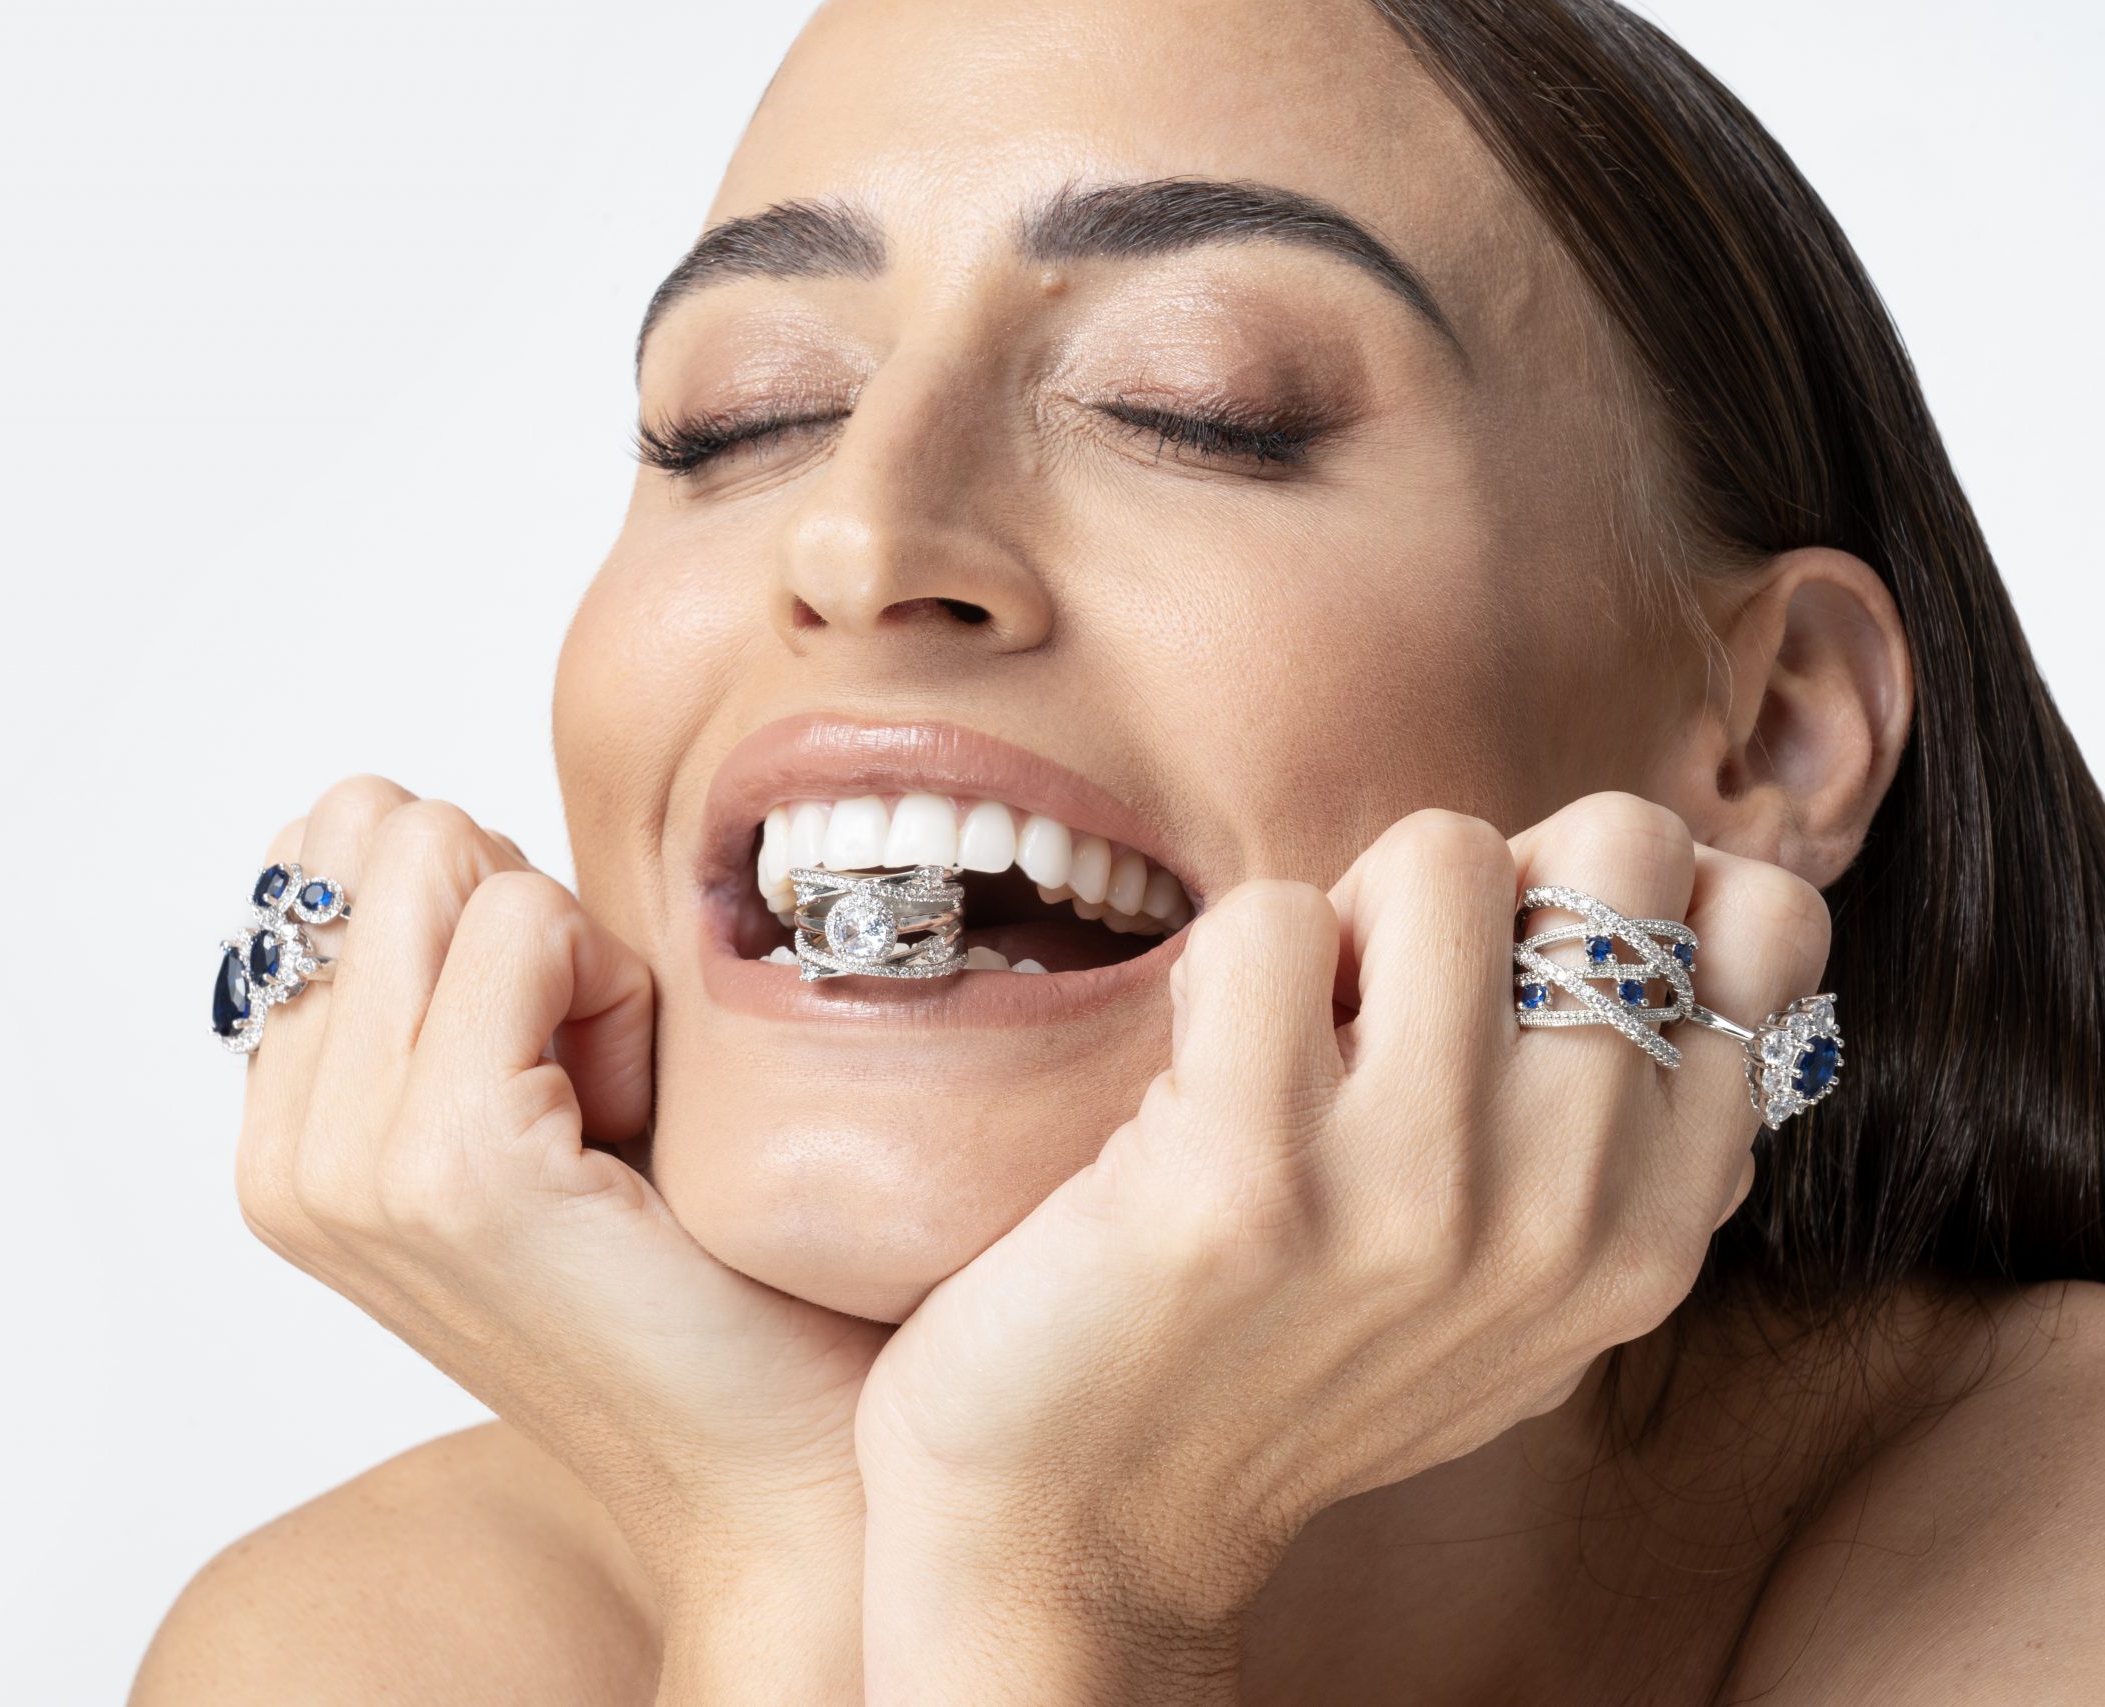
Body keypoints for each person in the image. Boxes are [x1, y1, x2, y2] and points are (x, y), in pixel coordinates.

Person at [134, 0, 2105, 1699]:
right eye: (740, 417)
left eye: (1196, 405)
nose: (857, 536)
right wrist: (782, 1547)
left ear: (1769, 729)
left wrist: (1064, 1588)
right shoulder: (369, 1646)